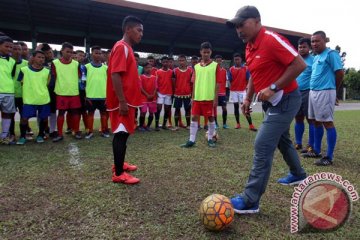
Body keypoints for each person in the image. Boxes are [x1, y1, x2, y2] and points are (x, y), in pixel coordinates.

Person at [226, 5, 307, 213]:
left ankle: (250, 200)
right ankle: (298, 174)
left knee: (262, 144)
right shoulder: (249, 45)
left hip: (287, 98)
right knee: (282, 140)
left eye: (241, 25)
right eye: (236, 27)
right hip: (272, 102)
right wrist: (247, 98)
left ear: (256, 20)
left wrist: (273, 87)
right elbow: (254, 73)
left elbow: (299, 65)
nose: (238, 31)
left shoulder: (271, 39)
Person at [106, 15, 143, 184]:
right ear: (128, 29)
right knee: (120, 134)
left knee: (124, 133)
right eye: (139, 30)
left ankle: (120, 164)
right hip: (123, 102)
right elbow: (115, 74)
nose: (141, 34)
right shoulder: (122, 47)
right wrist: (121, 101)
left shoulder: (126, 47)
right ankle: (119, 173)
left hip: (128, 101)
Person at [302, 31, 344, 166]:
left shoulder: (331, 54)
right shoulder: (315, 57)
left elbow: (340, 73)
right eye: (312, 41)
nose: (314, 44)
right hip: (313, 92)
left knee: (327, 122)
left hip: (325, 92)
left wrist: (334, 91)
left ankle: (329, 157)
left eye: (317, 41)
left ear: (325, 41)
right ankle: (316, 150)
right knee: (315, 122)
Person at [181, 42, 220, 148]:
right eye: (204, 52)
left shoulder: (215, 65)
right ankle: (191, 140)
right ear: (201, 52)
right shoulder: (196, 67)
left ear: (211, 52)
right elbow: (194, 83)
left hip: (209, 97)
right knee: (194, 118)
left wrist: (216, 98)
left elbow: (218, 83)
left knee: (211, 118)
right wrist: (193, 97)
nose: (206, 54)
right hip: (197, 97)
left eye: (208, 52)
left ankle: (210, 139)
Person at [16, 51, 50, 144]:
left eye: (43, 58)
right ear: (33, 57)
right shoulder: (24, 70)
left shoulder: (47, 71)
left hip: (43, 99)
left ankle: (40, 135)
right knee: (24, 118)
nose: (41, 59)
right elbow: (21, 82)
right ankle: (22, 137)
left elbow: (47, 84)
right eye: (39, 57)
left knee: (43, 118)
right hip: (29, 99)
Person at [51, 42, 82, 142]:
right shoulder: (55, 63)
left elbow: (80, 77)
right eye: (67, 51)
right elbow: (53, 77)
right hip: (61, 93)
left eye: (71, 52)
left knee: (75, 112)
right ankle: (60, 134)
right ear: (62, 51)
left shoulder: (76, 64)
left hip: (74, 93)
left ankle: (76, 131)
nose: (69, 54)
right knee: (61, 113)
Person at [293, 38, 314, 152]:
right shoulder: (295, 59)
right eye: (300, 47)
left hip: (308, 92)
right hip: (296, 92)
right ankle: (298, 143)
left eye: (304, 47)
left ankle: (310, 144)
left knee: (310, 119)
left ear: (309, 48)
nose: (301, 49)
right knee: (298, 118)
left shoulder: (314, 60)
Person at [84, 45, 109, 139]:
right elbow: (83, 82)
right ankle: (89, 131)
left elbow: (109, 83)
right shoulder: (86, 67)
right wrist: (85, 95)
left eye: (100, 53)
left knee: (104, 114)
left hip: (103, 96)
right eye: (96, 53)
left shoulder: (106, 68)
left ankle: (104, 130)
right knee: (90, 114)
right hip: (91, 96)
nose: (98, 55)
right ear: (92, 54)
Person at [228, 53, 257, 131]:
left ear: (241, 60)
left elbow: (248, 80)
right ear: (234, 60)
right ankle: (238, 124)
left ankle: (251, 125)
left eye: (238, 59)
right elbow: (230, 80)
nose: (237, 61)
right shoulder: (231, 69)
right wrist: (232, 88)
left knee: (246, 107)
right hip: (234, 91)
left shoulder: (246, 69)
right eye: (235, 60)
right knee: (236, 107)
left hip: (243, 91)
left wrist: (247, 90)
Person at [10, 42, 30, 142]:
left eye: (19, 49)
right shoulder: (6, 62)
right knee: (10, 116)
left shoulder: (26, 64)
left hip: (23, 95)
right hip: (10, 94)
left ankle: (23, 135)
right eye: (15, 49)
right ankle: (12, 134)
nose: (17, 51)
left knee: (24, 116)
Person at [0, 35, 16, 145]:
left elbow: (12, 75)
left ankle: (4, 136)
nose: (9, 49)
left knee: (7, 114)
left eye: (11, 47)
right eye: (7, 46)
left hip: (8, 91)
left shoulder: (12, 61)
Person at [172, 54, 192, 130]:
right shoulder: (175, 70)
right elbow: (173, 83)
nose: (181, 62)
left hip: (187, 93)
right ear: (178, 61)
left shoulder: (190, 70)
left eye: (183, 60)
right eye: (180, 60)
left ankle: (188, 125)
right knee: (177, 109)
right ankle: (176, 126)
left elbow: (191, 82)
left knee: (187, 109)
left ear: (186, 61)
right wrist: (175, 91)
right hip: (178, 93)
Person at [154, 56, 173, 131]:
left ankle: (164, 125)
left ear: (168, 62)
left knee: (167, 109)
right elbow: (155, 83)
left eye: (167, 62)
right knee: (158, 109)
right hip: (160, 93)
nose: (165, 63)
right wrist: (156, 92)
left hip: (169, 93)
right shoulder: (158, 72)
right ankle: (156, 125)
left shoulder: (171, 72)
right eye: (164, 62)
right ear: (161, 62)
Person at [139, 62, 157, 131]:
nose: (148, 69)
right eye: (146, 68)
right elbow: (140, 88)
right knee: (143, 112)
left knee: (151, 112)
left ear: (152, 68)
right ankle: (141, 126)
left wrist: (153, 95)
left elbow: (156, 87)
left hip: (152, 98)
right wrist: (147, 95)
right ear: (144, 68)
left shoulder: (154, 77)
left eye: (149, 67)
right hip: (144, 98)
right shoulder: (141, 77)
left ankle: (148, 126)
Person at [214, 55, 229, 129]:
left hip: (222, 93)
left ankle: (224, 124)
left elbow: (226, 82)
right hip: (215, 93)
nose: (218, 62)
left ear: (221, 61)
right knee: (214, 108)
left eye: (220, 61)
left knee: (224, 108)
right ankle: (215, 123)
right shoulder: (213, 70)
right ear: (215, 61)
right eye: (217, 61)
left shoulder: (224, 71)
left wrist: (226, 92)